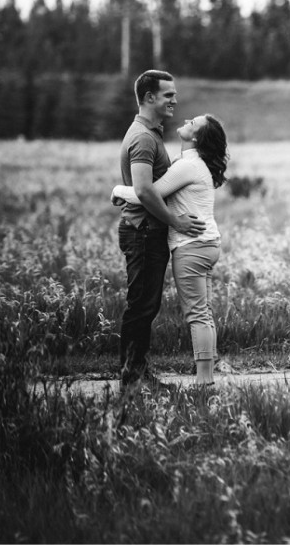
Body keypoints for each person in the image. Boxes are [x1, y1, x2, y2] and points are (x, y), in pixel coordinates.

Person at [113, 113, 229, 386]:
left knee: (197, 313)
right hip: (206, 245)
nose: (187, 120)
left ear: (197, 137)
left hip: (192, 247)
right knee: (203, 311)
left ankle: (204, 381)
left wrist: (118, 189)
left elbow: (146, 193)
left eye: (193, 123)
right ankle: (206, 376)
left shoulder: (188, 166)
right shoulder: (191, 164)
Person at [117, 70, 205, 392]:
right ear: (149, 97)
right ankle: (132, 377)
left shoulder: (149, 133)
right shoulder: (142, 137)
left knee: (146, 305)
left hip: (147, 231)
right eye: (168, 95)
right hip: (142, 231)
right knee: (141, 305)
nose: (175, 100)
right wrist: (176, 221)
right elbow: (143, 190)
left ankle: (137, 372)